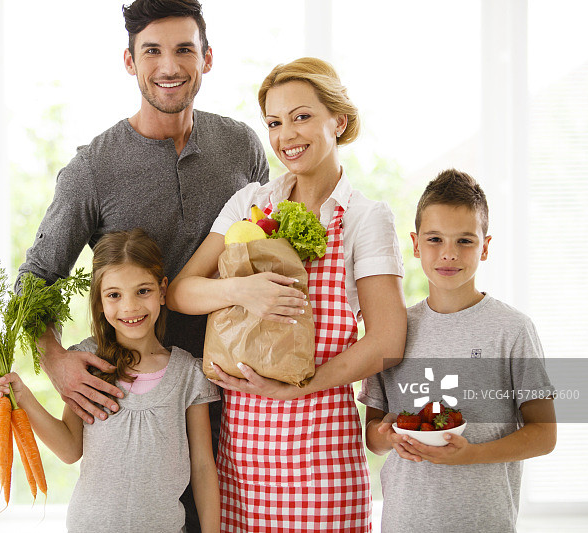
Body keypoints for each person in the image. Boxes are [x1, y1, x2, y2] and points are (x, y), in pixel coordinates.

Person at [166, 57, 407, 532]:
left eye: (301, 117)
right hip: (245, 456)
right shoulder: (251, 202)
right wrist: (241, 289)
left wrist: (296, 387)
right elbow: (180, 292)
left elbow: (388, 340)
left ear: (337, 120)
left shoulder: (364, 218)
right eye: (274, 123)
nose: (286, 136)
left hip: (323, 456)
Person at [16, 0, 268, 422]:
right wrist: (55, 361)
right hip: (135, 408)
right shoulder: (93, 169)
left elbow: (263, 250)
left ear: (206, 58)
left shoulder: (242, 146)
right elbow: (36, 279)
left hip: (241, 399)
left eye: (184, 50)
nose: (169, 67)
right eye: (152, 51)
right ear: (130, 62)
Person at [358, 169, 557, 533]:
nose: (448, 254)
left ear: (485, 246)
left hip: (484, 522)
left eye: (465, 241)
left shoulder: (512, 330)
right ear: (416, 245)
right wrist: (386, 435)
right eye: (435, 239)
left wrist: (472, 455)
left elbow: (544, 433)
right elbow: (373, 435)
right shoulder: (393, 329)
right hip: (405, 522)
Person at [0, 229, 220, 532]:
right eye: (114, 295)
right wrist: (22, 396)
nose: (130, 307)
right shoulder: (85, 362)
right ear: (99, 301)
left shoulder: (189, 374)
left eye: (143, 291)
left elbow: (203, 468)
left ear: (162, 290)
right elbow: (70, 450)